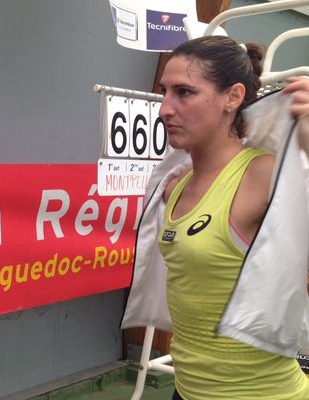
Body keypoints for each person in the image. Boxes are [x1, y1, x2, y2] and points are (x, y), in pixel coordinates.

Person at [121, 35, 309, 399]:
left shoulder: (262, 176)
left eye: (184, 93)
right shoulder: (176, 184)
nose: (165, 108)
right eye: (165, 92)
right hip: (188, 391)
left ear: (233, 97)